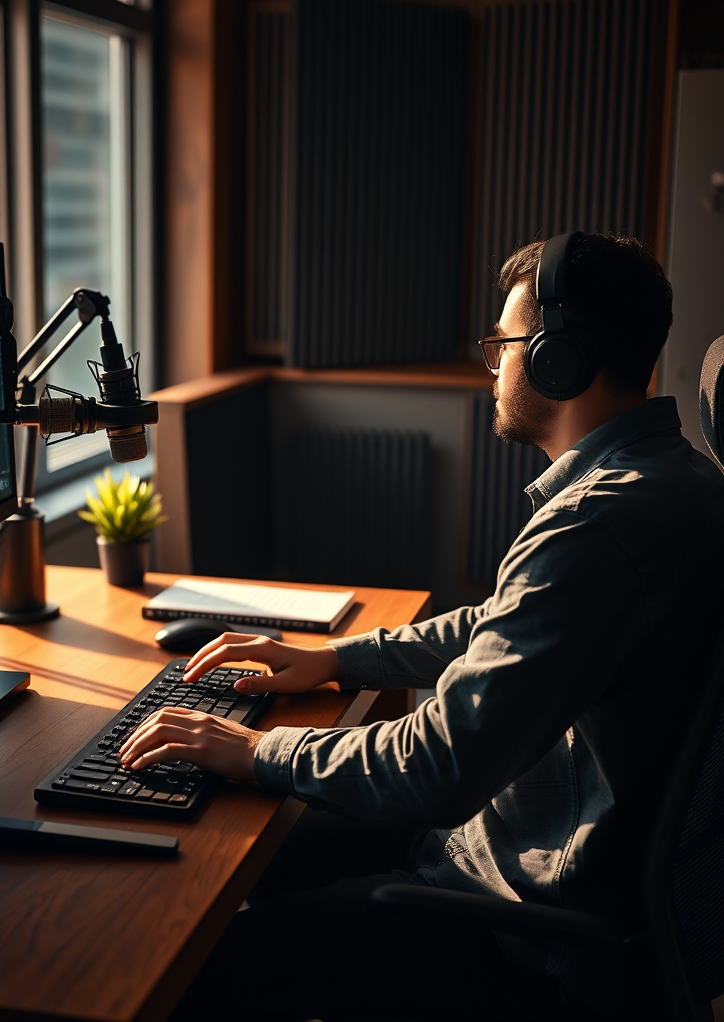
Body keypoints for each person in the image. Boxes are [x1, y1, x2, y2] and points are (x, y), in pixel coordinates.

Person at [118, 233, 724, 1021]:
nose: (492, 366)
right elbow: (508, 621)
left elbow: (442, 762)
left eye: (503, 344)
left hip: (528, 922)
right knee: (247, 847)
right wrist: (338, 659)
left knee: (195, 962)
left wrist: (256, 749)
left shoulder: (595, 526)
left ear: (557, 359)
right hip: (524, 849)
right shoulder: (674, 479)